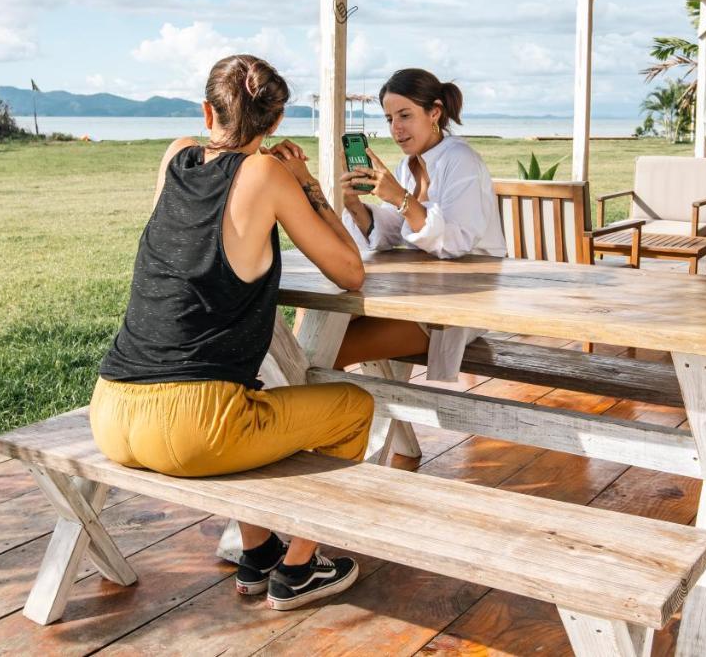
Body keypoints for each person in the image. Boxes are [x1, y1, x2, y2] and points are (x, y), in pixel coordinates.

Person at [90, 54, 374, 611]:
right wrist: (307, 182)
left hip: (113, 410)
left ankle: (259, 549)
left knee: (255, 393)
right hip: (196, 428)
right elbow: (349, 270)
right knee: (354, 407)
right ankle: (298, 570)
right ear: (275, 124)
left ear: (206, 111)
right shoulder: (265, 174)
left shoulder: (176, 156)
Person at [336, 68, 506, 379]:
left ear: (435, 113)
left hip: (459, 303)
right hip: (416, 291)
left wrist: (400, 197)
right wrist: (356, 207)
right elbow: (400, 229)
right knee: (324, 317)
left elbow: (455, 242)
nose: (396, 129)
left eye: (405, 115)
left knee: (327, 350)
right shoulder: (408, 165)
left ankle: (320, 418)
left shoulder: (461, 160)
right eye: (389, 119)